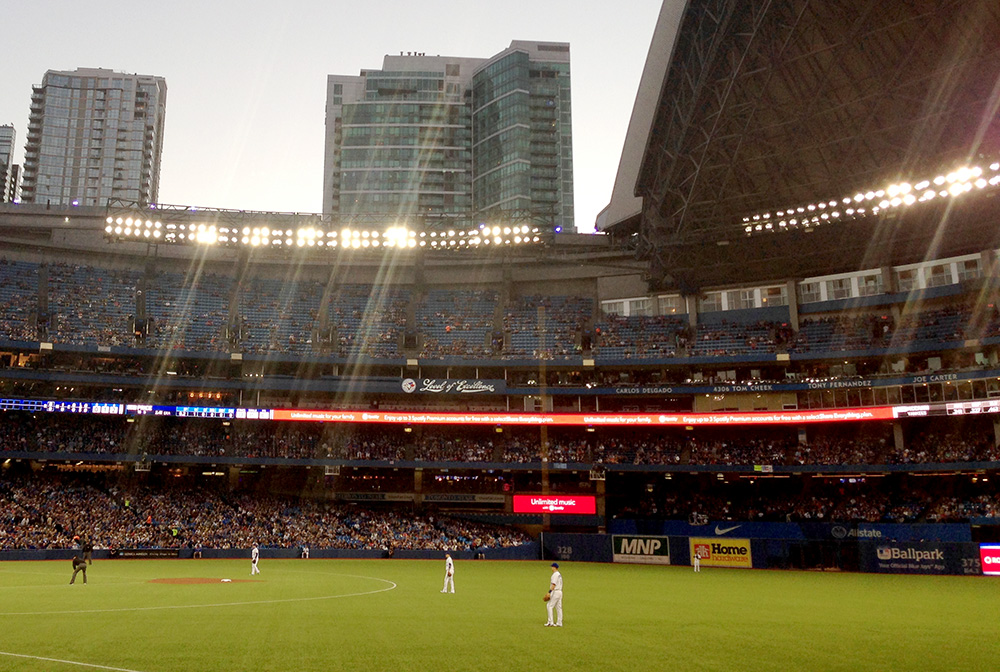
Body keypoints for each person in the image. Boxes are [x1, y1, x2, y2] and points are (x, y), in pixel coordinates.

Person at [544, 562, 563, 627]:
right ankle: (559, 622)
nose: (551, 568)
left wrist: (549, 592)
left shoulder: (555, 574)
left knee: (549, 606)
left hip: (555, 592)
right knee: (559, 608)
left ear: (554, 567)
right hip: (560, 592)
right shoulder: (559, 574)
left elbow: (553, 584)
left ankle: (550, 622)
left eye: (552, 567)